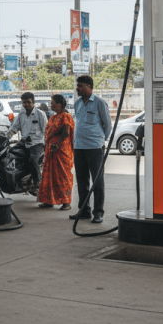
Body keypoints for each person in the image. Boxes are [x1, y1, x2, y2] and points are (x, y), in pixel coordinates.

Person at [72, 75, 112, 224]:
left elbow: (107, 126)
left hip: (94, 148)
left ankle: (98, 212)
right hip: (79, 147)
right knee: (82, 181)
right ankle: (83, 211)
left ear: (89, 87)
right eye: (78, 85)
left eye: (80, 86)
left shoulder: (100, 103)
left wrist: (100, 141)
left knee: (97, 181)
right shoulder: (77, 103)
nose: (78, 88)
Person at [37, 94, 75, 211]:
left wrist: (57, 145)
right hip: (51, 151)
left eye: (52, 102)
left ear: (58, 105)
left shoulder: (66, 116)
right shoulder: (53, 117)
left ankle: (66, 202)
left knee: (62, 176)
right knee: (49, 176)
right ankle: (49, 201)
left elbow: (66, 133)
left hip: (61, 151)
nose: (50, 104)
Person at [7, 91, 47, 192]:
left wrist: (45, 145)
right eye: (24, 102)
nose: (26, 104)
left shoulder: (40, 114)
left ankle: (38, 186)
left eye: (28, 102)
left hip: (36, 143)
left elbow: (46, 131)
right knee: (9, 154)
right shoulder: (21, 113)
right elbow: (14, 128)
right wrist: (5, 137)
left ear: (33, 102)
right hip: (23, 142)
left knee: (33, 161)